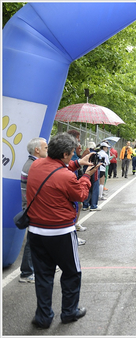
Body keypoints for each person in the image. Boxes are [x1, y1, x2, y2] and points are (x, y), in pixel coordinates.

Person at [27, 132, 100, 329]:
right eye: (72, 156)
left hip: (36, 231)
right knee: (72, 272)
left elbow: (54, 169)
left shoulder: (36, 165)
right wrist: (86, 176)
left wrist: (78, 163)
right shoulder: (67, 176)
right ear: (66, 154)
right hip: (60, 233)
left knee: (43, 275)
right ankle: (69, 312)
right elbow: (81, 195)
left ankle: (43, 317)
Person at [19, 137, 48, 284]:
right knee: (33, 241)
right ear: (37, 150)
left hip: (33, 207)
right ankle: (26, 272)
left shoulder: (33, 164)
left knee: (37, 239)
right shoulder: (33, 166)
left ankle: (33, 269)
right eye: (45, 148)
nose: (47, 150)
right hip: (33, 208)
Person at [66, 130, 88, 243]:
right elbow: (72, 163)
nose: (79, 140)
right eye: (78, 137)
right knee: (77, 203)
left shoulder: (73, 148)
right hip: (71, 178)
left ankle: (75, 225)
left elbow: (76, 161)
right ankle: (72, 233)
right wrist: (87, 176)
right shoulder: (67, 148)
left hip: (74, 176)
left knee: (78, 205)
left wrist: (83, 155)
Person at [82, 142, 101, 212]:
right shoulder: (95, 153)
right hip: (94, 170)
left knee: (86, 186)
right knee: (95, 187)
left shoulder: (85, 153)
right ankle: (93, 205)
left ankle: (85, 204)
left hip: (85, 170)